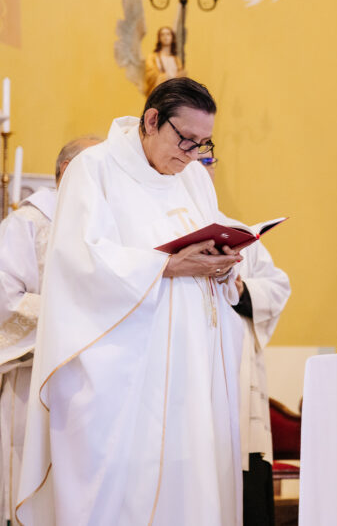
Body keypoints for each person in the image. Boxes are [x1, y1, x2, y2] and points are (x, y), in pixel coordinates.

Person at [17, 78, 246, 525]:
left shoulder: (194, 178)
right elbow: (79, 259)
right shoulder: (94, 168)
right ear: (151, 121)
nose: (192, 153)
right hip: (124, 373)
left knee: (191, 481)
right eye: (185, 139)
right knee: (123, 491)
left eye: (203, 144)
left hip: (192, 367)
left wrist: (226, 262)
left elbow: (210, 235)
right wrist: (167, 266)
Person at [0, 137, 99, 523]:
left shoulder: (106, 225)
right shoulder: (28, 221)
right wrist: (73, 313)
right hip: (34, 377)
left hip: (93, 383)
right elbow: (6, 299)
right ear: (67, 172)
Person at [202, 154, 291, 526]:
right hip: (186, 382)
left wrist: (240, 288)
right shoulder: (152, 232)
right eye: (193, 155)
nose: (203, 166)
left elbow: (278, 286)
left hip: (236, 381)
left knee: (245, 488)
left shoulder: (237, 234)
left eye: (208, 158)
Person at [143, 26, 185, 96]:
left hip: (174, 93)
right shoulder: (153, 57)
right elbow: (150, 75)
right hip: (160, 92)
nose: (165, 37)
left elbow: (181, 76)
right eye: (163, 34)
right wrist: (166, 76)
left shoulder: (176, 60)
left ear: (172, 37)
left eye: (168, 34)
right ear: (159, 38)